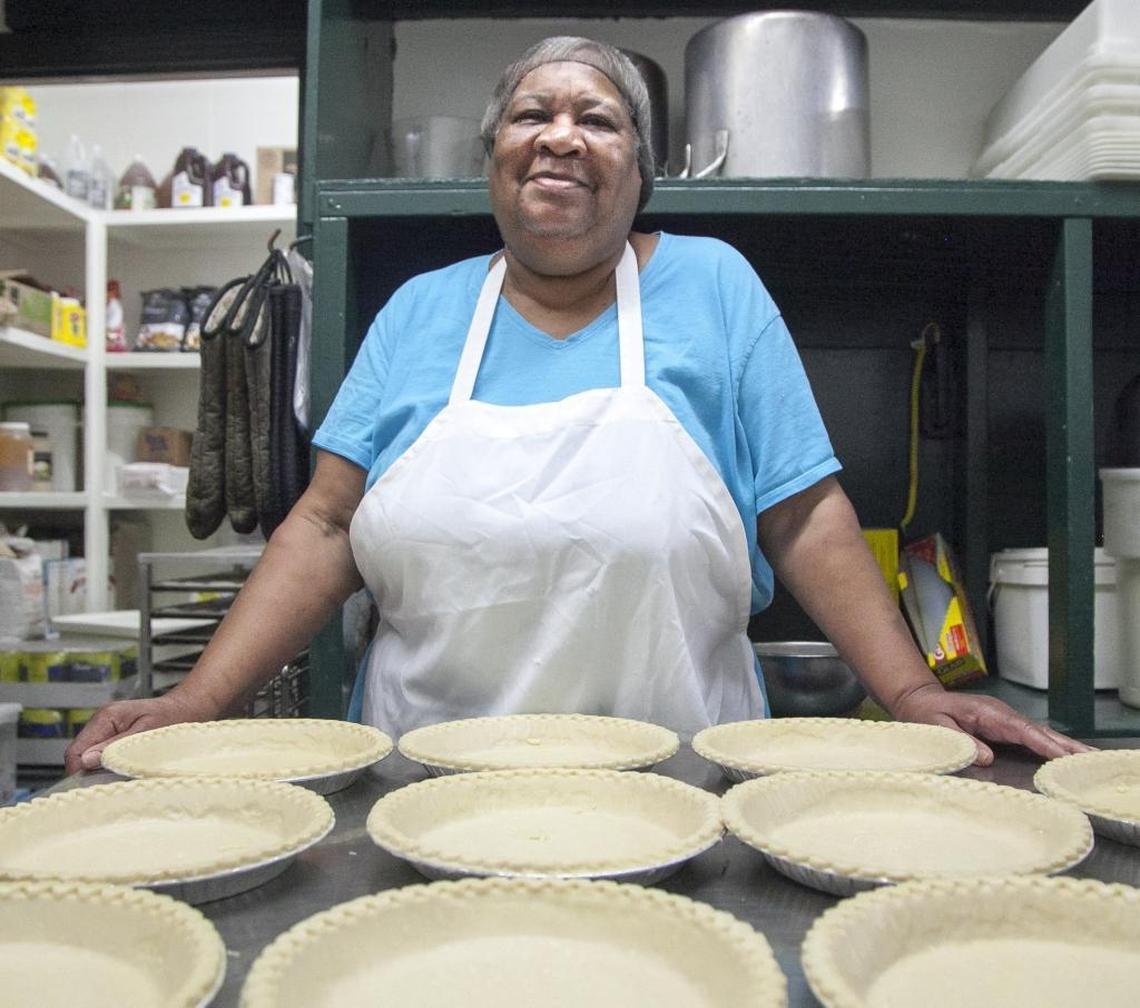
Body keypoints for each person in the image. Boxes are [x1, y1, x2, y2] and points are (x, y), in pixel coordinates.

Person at [66, 36, 1090, 774]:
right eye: (530, 115)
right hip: (429, 779)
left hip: (684, 779)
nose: (560, 136)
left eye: (596, 120)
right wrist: (199, 700)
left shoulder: (715, 286)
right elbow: (326, 524)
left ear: (639, 174)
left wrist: (913, 695)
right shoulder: (422, 313)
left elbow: (804, 515)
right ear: (494, 161)